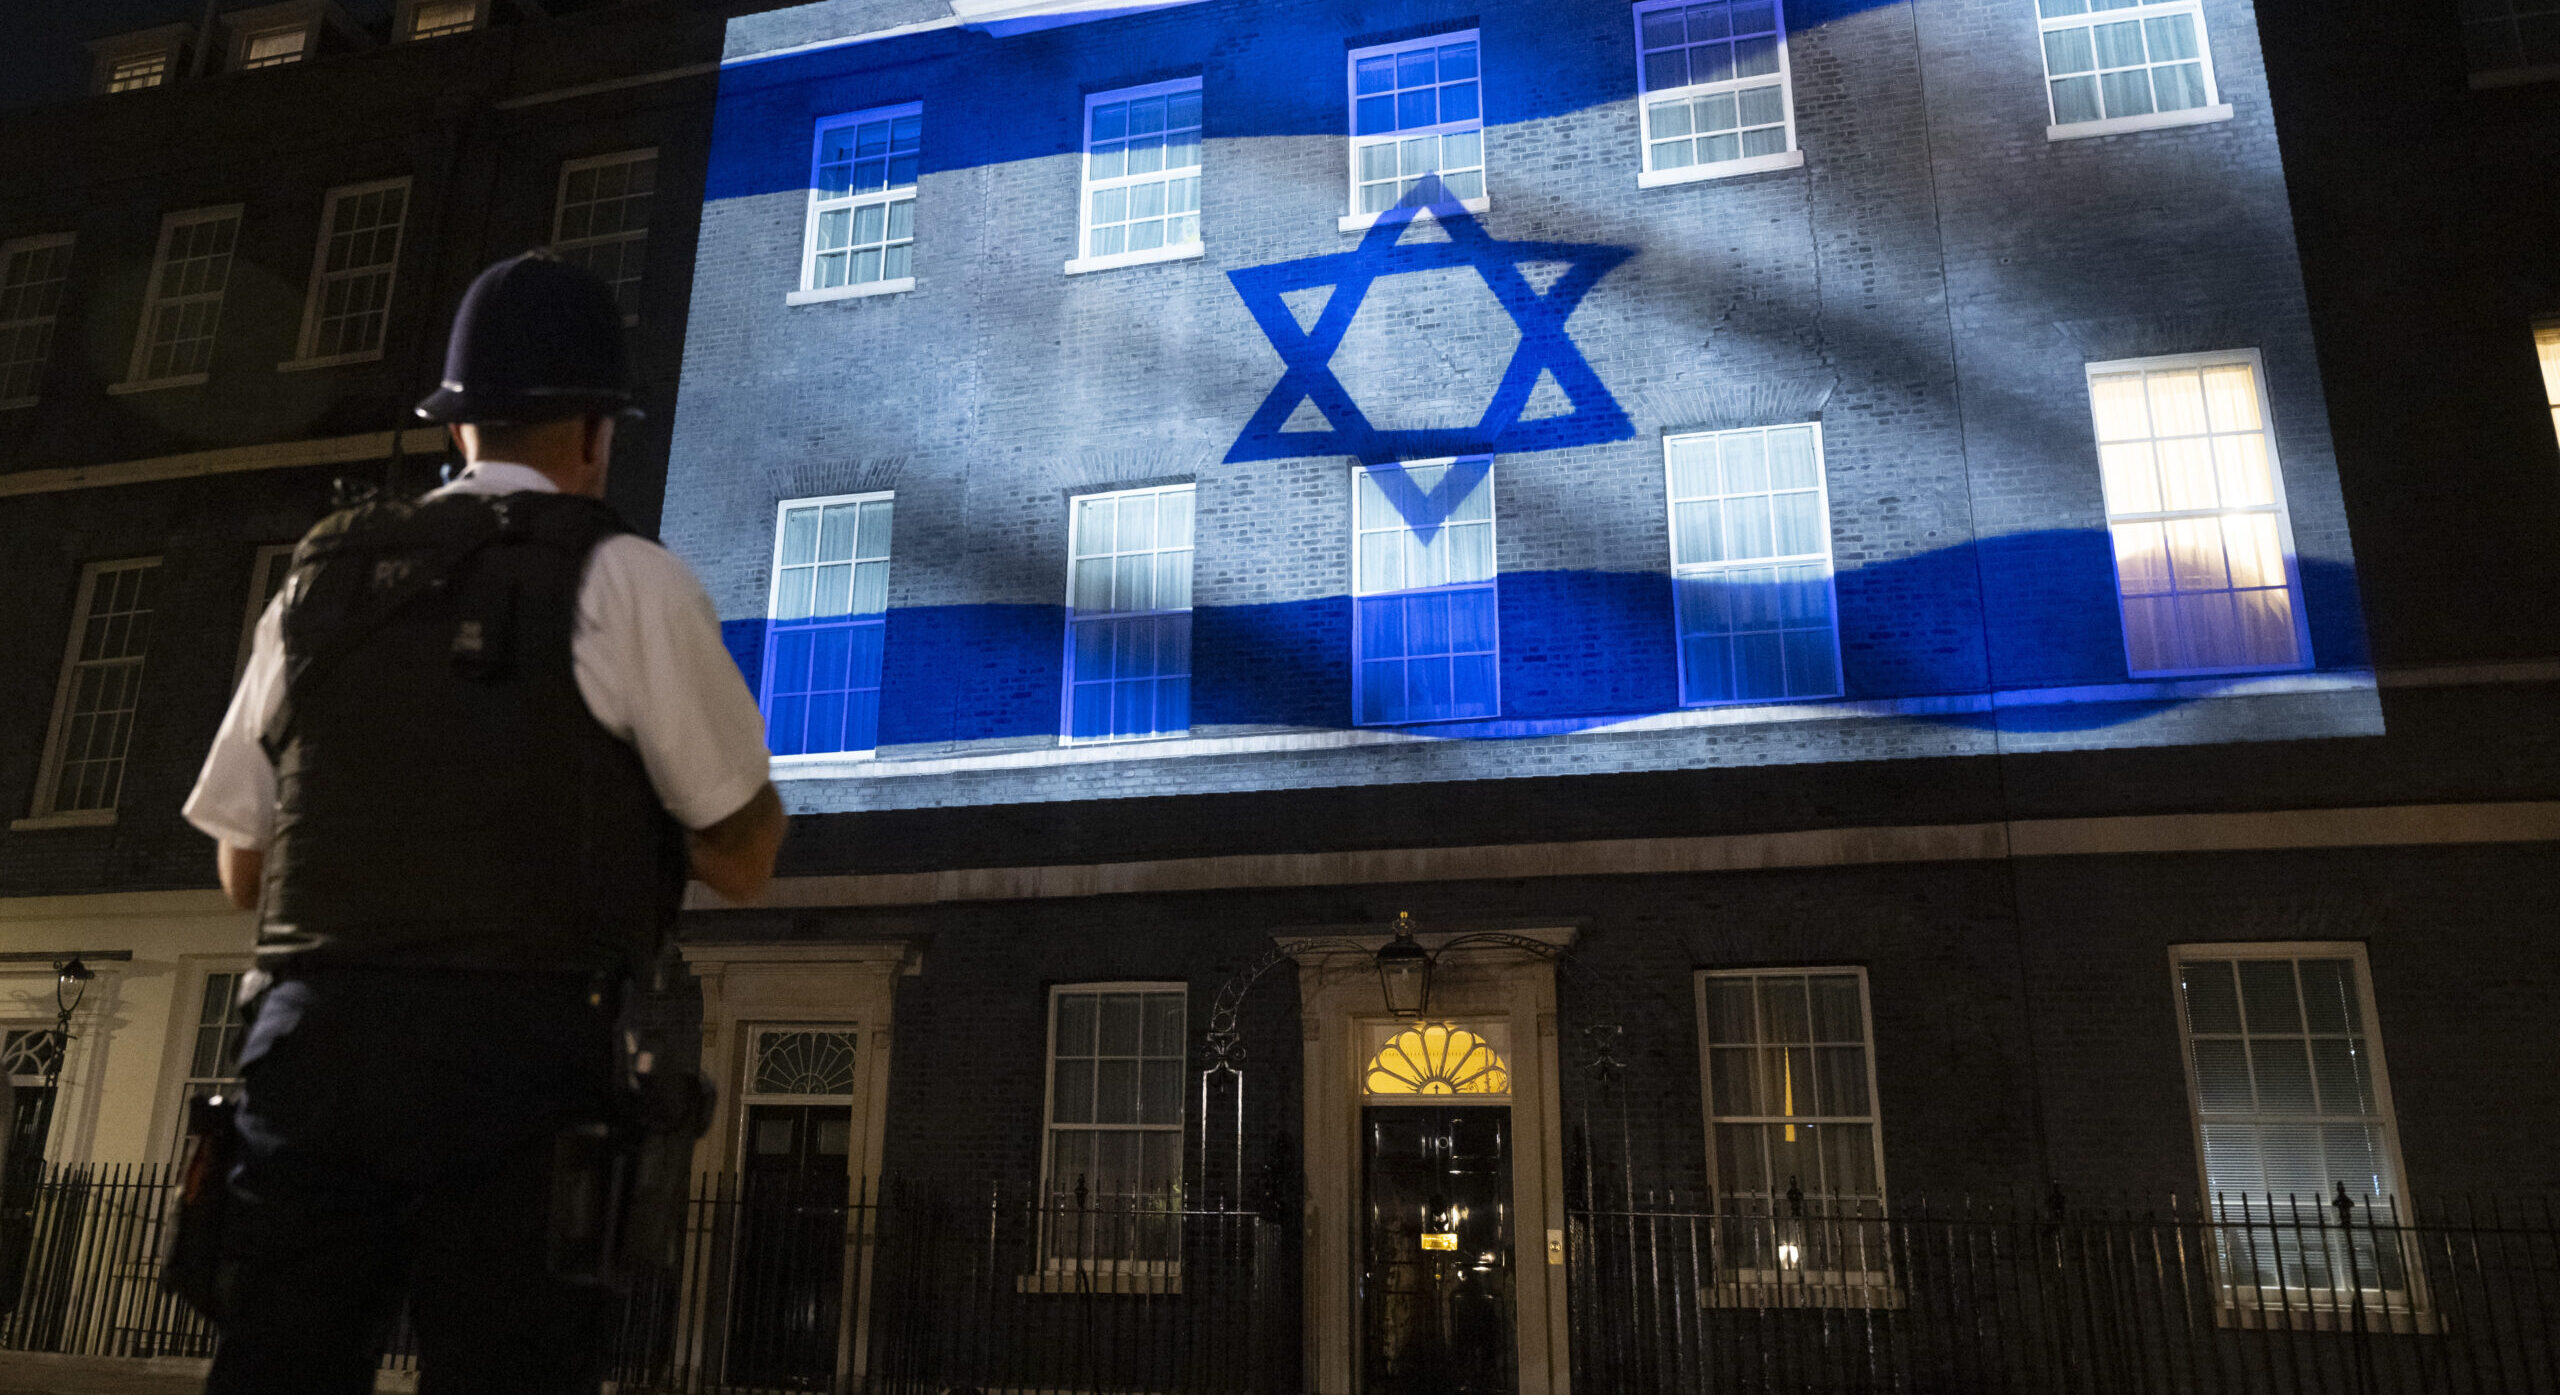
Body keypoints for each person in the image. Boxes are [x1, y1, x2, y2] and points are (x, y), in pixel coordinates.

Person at [180, 251, 784, 1395]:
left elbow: (241, 866)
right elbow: (742, 852)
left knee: (278, 1365)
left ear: (455, 428)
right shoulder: (627, 580)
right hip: (519, 1059)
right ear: (597, 429)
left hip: (314, 1049)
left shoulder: (319, 580)